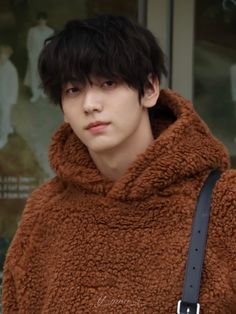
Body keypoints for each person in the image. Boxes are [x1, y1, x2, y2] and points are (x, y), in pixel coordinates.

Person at [2, 15, 236, 313]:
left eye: (108, 83)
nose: (90, 104)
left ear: (150, 89)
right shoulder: (45, 212)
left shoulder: (225, 202)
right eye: (73, 90)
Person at [24, 11, 53, 103]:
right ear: (37, 21)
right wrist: (30, 55)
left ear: (46, 21)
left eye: (43, 20)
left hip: (44, 57)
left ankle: (42, 92)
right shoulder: (32, 31)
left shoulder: (50, 31)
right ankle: (35, 94)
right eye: (39, 20)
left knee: (43, 75)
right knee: (34, 75)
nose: (41, 22)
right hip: (33, 56)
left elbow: (50, 45)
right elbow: (28, 44)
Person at [0, 45, 18, 149]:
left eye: (4, 55)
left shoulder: (11, 69)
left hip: (6, 99)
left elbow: (14, 87)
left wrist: (11, 101)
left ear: (8, 56)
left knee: (4, 117)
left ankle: (3, 138)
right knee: (3, 115)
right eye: (0, 55)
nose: (1, 57)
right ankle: (9, 128)